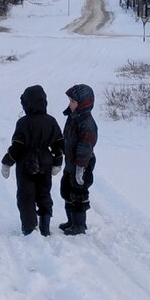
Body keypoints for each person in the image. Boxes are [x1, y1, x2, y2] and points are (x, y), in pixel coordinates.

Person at [0, 85, 64, 236]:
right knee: (44, 193)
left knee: (26, 194)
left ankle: (29, 227)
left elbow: (18, 146)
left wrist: (7, 162)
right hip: (46, 162)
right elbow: (59, 143)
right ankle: (45, 225)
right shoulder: (51, 121)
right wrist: (57, 161)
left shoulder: (23, 123)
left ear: (27, 104)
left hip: (26, 164)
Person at [59, 83, 98, 235]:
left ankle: (79, 225)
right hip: (71, 162)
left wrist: (81, 168)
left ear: (83, 104)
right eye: (69, 101)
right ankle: (71, 221)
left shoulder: (86, 123)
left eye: (73, 102)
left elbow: (85, 147)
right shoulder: (73, 117)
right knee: (67, 191)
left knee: (78, 193)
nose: (70, 104)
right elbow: (68, 138)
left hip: (83, 163)